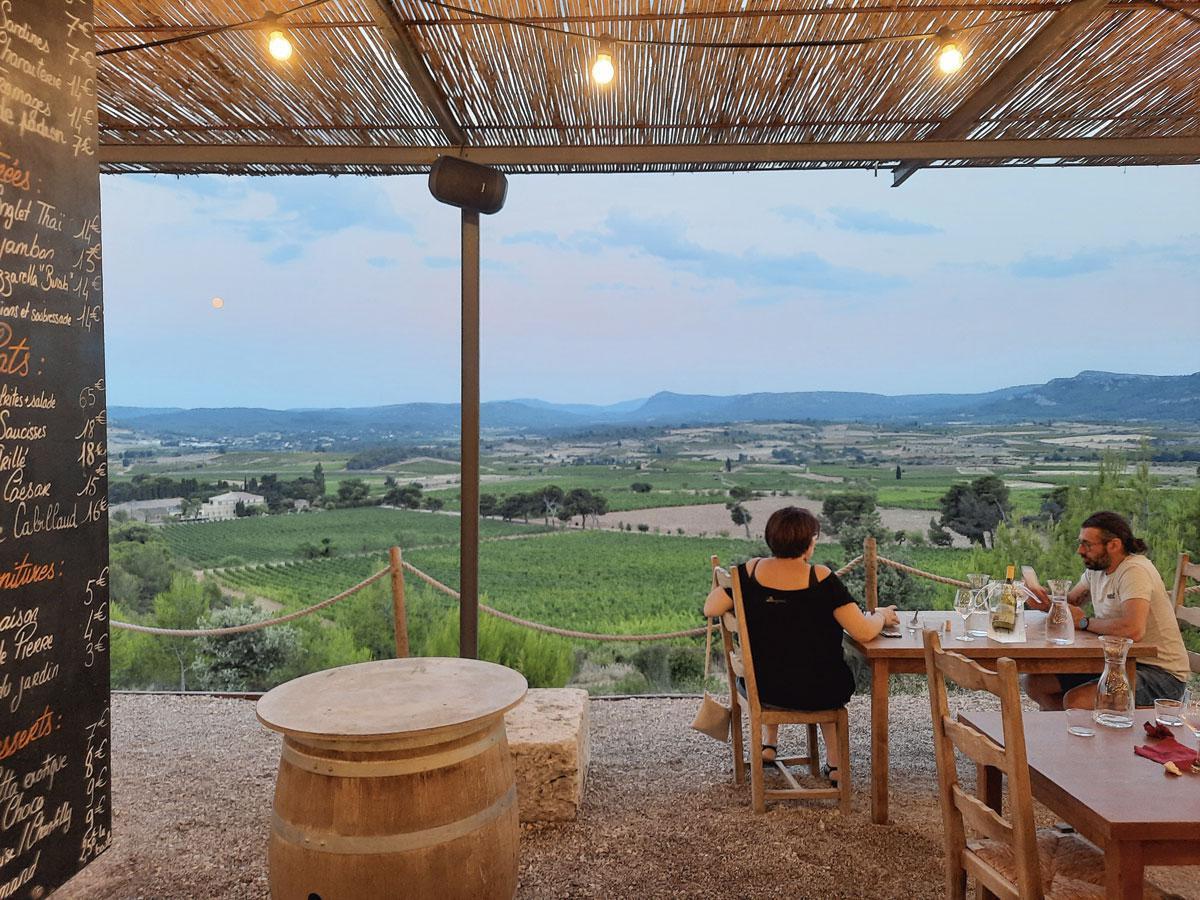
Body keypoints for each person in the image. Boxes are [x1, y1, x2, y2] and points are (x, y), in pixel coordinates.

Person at [704, 506, 899, 784]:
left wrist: (734, 588)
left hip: (763, 688)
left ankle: (768, 746)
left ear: (771, 539)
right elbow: (863, 631)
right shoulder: (820, 578)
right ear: (810, 544)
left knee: (780, 654)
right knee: (820, 671)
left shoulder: (750, 572)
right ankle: (835, 766)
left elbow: (711, 607)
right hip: (818, 690)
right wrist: (881, 615)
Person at [1024, 510, 1189, 710]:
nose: (1080, 550)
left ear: (1114, 545)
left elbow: (1133, 630)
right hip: (1117, 660)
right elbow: (1071, 601)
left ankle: (1084, 733)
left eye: (1087, 544)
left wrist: (1084, 622)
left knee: (1077, 701)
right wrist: (1044, 602)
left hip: (1159, 672)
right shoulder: (1097, 570)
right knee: (1035, 683)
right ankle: (1072, 734)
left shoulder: (1134, 571)